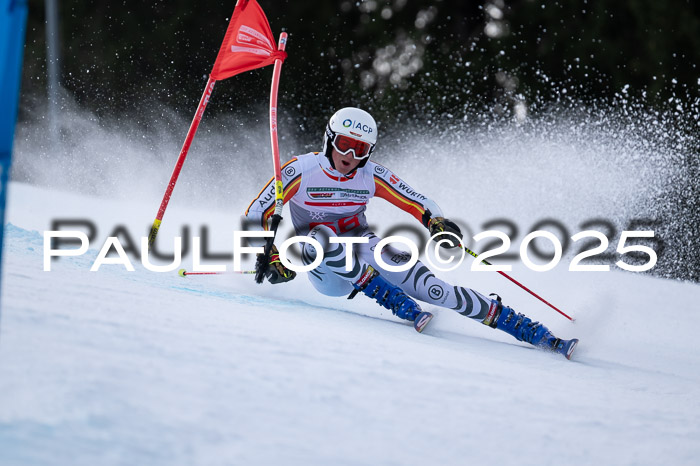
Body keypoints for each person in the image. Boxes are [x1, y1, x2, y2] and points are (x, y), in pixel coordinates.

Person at [245, 107, 578, 359]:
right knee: (321, 236)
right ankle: (393, 300)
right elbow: (256, 212)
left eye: (359, 149)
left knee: (434, 289)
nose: (349, 157)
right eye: (344, 145)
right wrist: (270, 254)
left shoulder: (370, 176)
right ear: (329, 140)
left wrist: (435, 222)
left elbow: (416, 200)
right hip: (322, 264)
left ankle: (532, 331)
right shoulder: (301, 169)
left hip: (362, 247)